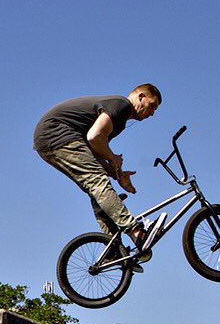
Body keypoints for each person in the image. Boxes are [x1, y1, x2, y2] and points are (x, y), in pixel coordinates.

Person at [34, 84, 161, 263]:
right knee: (98, 183)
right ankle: (137, 232)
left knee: (96, 189)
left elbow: (93, 150)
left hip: (50, 138)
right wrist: (113, 158)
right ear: (140, 97)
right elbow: (94, 137)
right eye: (152, 105)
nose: (152, 113)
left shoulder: (119, 120)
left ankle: (112, 250)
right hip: (57, 134)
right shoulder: (121, 105)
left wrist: (117, 173)